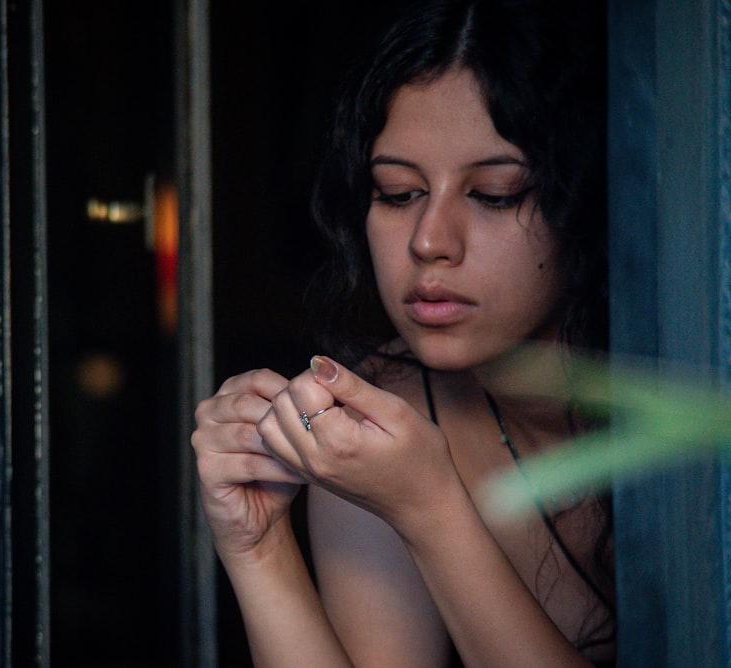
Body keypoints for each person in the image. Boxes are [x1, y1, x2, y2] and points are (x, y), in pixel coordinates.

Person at [191, 0, 614, 666]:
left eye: (495, 193)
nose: (428, 241)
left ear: (585, 204)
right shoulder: (385, 425)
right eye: (398, 192)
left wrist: (432, 510)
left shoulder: (687, 384)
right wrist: (258, 550)